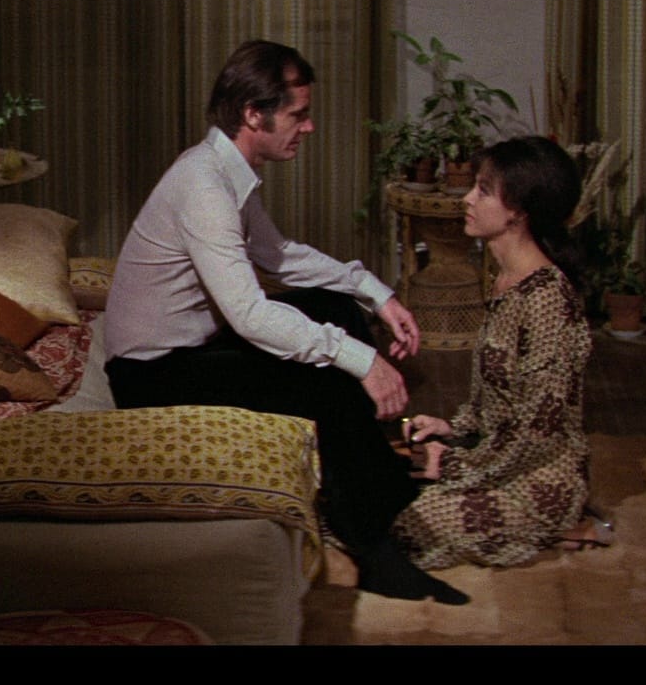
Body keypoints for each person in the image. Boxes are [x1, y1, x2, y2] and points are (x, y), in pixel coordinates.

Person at [100, 39, 466, 603]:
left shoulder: (226, 169)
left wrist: (376, 294)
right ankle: (373, 549)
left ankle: (380, 486)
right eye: (298, 114)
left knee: (334, 308)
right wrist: (364, 361)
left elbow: (278, 255)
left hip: (191, 350)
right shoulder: (203, 184)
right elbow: (250, 315)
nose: (309, 127)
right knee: (326, 378)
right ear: (254, 114)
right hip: (153, 375)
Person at [393, 135, 601, 570]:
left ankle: (562, 526)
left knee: (398, 523)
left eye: (483, 190)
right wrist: (452, 428)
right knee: (369, 490)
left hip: (534, 480)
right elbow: (497, 397)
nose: (468, 199)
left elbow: (536, 432)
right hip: (494, 460)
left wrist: (451, 465)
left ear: (518, 212)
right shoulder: (506, 281)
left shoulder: (546, 301)